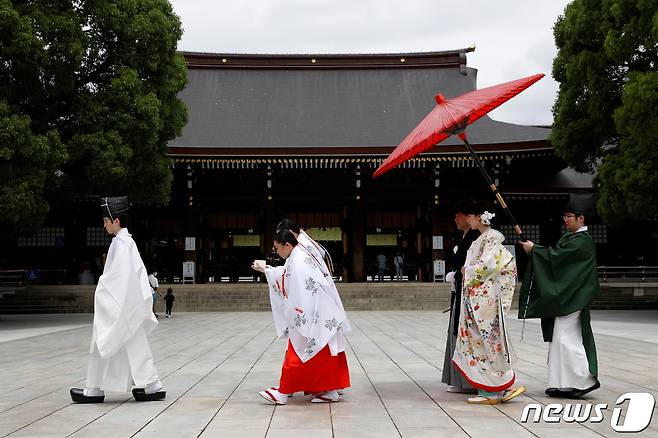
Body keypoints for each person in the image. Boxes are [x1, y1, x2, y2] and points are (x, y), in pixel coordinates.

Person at [70, 197, 165, 403]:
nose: (104, 224)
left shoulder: (122, 244)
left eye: (106, 220)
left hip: (121, 302)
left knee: (105, 339)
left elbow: (119, 277)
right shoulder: (123, 242)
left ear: (116, 221)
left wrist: (104, 291)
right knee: (133, 342)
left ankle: (95, 389)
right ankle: (151, 385)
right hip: (127, 303)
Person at [252, 230, 350, 404]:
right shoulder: (299, 256)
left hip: (309, 313)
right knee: (323, 355)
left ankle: (283, 392)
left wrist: (297, 313)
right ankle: (330, 390)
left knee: (297, 355)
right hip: (320, 312)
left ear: (287, 244)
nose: (277, 252)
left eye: (277, 248)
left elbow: (293, 283)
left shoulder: (298, 261)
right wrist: (267, 269)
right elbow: (287, 276)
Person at [519, 193, 600, 399]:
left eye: (569, 216)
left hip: (574, 297)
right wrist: (536, 250)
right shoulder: (571, 238)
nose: (565, 220)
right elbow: (556, 259)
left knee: (568, 338)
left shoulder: (583, 242)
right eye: (565, 216)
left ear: (581, 218)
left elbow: (557, 260)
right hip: (568, 296)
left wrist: (535, 250)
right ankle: (562, 383)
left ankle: (582, 380)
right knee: (559, 338)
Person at [452, 201, 525, 404]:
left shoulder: (492, 238)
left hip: (484, 300)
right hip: (477, 298)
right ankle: (493, 387)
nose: (468, 219)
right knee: (481, 342)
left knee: (487, 341)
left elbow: (489, 265)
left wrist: (467, 271)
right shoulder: (482, 239)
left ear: (481, 217)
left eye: (471, 216)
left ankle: (491, 390)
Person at [442, 201, 480, 394]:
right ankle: (459, 379)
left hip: (471, 293)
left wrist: (460, 273)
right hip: (461, 289)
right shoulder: (465, 236)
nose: (456, 220)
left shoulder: (477, 237)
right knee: (457, 330)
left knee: (466, 332)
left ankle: (470, 380)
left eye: (459, 215)